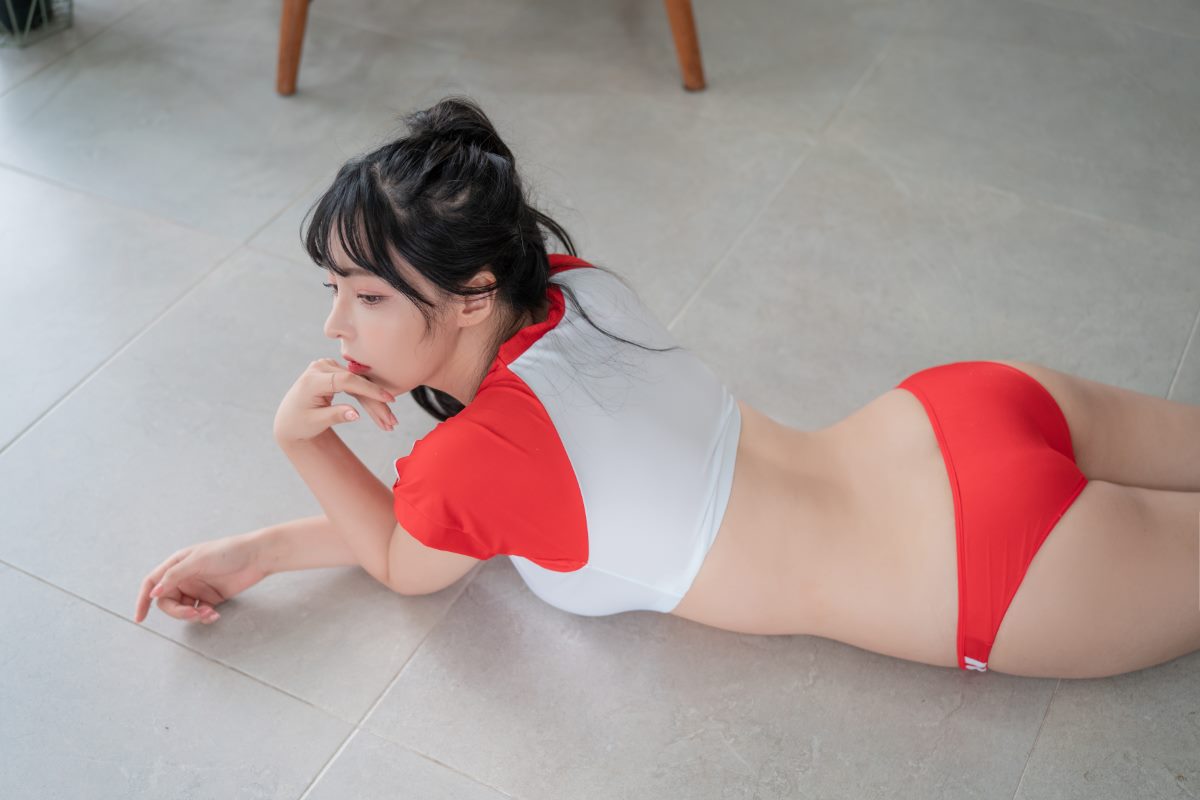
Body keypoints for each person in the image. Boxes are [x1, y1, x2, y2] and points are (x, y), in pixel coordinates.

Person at [132, 96, 1200, 680]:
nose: (333, 326)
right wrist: (258, 550)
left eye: (366, 295)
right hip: (955, 409)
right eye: (332, 289)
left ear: (472, 294)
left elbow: (405, 557)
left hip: (995, 570)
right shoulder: (573, 290)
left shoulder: (481, 460)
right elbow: (455, 519)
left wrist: (302, 440)